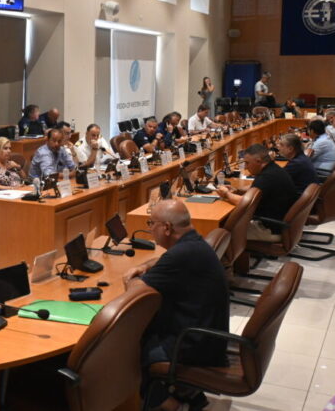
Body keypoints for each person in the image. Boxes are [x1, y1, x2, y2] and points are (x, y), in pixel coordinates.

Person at [122, 199, 228, 411]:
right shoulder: (194, 243)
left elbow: (136, 294)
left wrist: (128, 279)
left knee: (127, 344)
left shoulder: (181, 255)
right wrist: (144, 266)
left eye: (151, 223)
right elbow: (166, 260)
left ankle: (168, 404)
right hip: (209, 335)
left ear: (167, 228)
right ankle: (189, 393)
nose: (149, 229)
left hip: (195, 345)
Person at [216, 144, 298, 241]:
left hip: (269, 229)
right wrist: (237, 190)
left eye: (247, 163)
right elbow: (256, 189)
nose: (246, 167)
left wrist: (226, 194)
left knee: (218, 232)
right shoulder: (273, 169)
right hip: (280, 224)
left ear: (258, 161)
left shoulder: (266, 177)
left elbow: (244, 203)